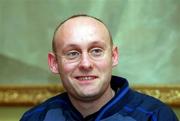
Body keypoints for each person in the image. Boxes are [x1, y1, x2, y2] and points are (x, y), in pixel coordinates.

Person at [20, 14, 178, 121]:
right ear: (54, 63)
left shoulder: (155, 116)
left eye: (96, 51)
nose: (85, 64)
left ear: (114, 56)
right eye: (72, 53)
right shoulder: (36, 118)